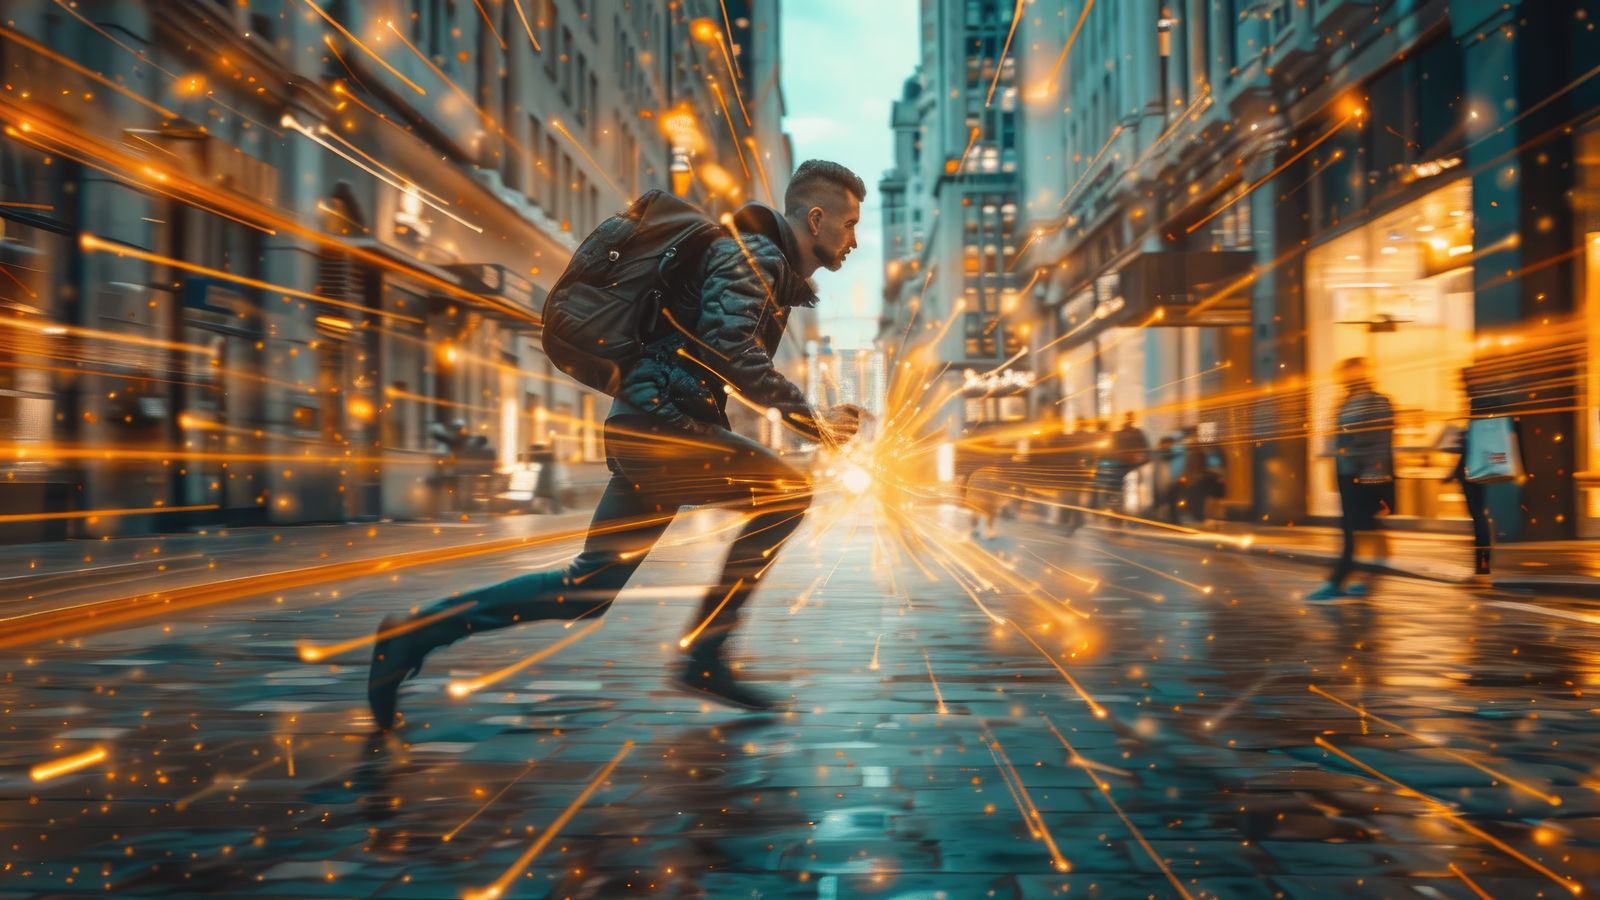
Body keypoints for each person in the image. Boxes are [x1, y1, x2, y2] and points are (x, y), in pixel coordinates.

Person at [365, 160, 868, 729]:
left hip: (650, 425)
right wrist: (813, 421)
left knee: (588, 589)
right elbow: (731, 350)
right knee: (788, 493)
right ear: (816, 218)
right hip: (663, 430)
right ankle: (706, 655)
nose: (853, 240)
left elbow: (717, 352)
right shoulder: (756, 256)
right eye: (849, 224)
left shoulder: (758, 259)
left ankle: (413, 634)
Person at [1308, 357, 1395, 601]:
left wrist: (1374, 474)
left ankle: (1338, 581)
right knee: (1363, 527)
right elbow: (1337, 437)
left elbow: (1379, 442)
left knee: (1354, 528)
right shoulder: (1345, 401)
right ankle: (1365, 577)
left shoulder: (1377, 402)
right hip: (1347, 473)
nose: (1342, 377)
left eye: (1347, 372)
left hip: (1366, 475)